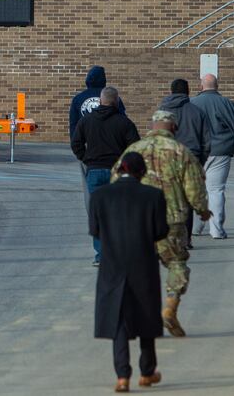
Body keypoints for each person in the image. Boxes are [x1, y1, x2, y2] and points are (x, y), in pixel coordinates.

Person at [114, 110, 211, 337]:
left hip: (136, 221)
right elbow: (194, 187)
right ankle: (170, 307)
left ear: (153, 126)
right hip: (172, 220)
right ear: (174, 128)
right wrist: (202, 211)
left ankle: (136, 314)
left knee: (137, 267)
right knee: (176, 263)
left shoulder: (133, 150)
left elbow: (116, 180)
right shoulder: (181, 152)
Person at [90, 152, 167, 393]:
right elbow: (161, 231)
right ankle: (147, 371)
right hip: (143, 263)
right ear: (141, 172)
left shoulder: (100, 196)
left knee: (118, 318)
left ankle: (122, 376)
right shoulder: (153, 195)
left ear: (119, 170)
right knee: (146, 315)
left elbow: (95, 230)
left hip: (112, 263)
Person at [71, 86, 140, 266]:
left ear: (101, 101)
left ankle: (101, 255)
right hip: (117, 173)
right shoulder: (124, 123)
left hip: (94, 171)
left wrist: (86, 158)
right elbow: (135, 148)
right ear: (116, 101)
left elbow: (76, 143)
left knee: (99, 214)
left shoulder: (86, 121)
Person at [191, 73, 234, 239]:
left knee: (197, 190)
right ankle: (216, 230)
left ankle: (196, 227)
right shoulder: (227, 104)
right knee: (216, 190)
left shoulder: (191, 104)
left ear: (201, 86)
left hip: (197, 152)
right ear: (217, 86)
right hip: (221, 151)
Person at [159, 78, 211, 248]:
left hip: (168, 158)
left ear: (171, 91)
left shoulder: (162, 111)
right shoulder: (197, 112)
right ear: (188, 91)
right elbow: (207, 142)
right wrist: (200, 162)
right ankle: (186, 239)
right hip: (191, 158)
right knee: (187, 201)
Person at [69, 66, 126, 214]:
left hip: (89, 150)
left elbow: (73, 128)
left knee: (90, 190)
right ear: (104, 80)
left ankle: (94, 216)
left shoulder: (78, 99)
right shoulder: (113, 98)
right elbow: (123, 122)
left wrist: (81, 154)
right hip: (113, 152)